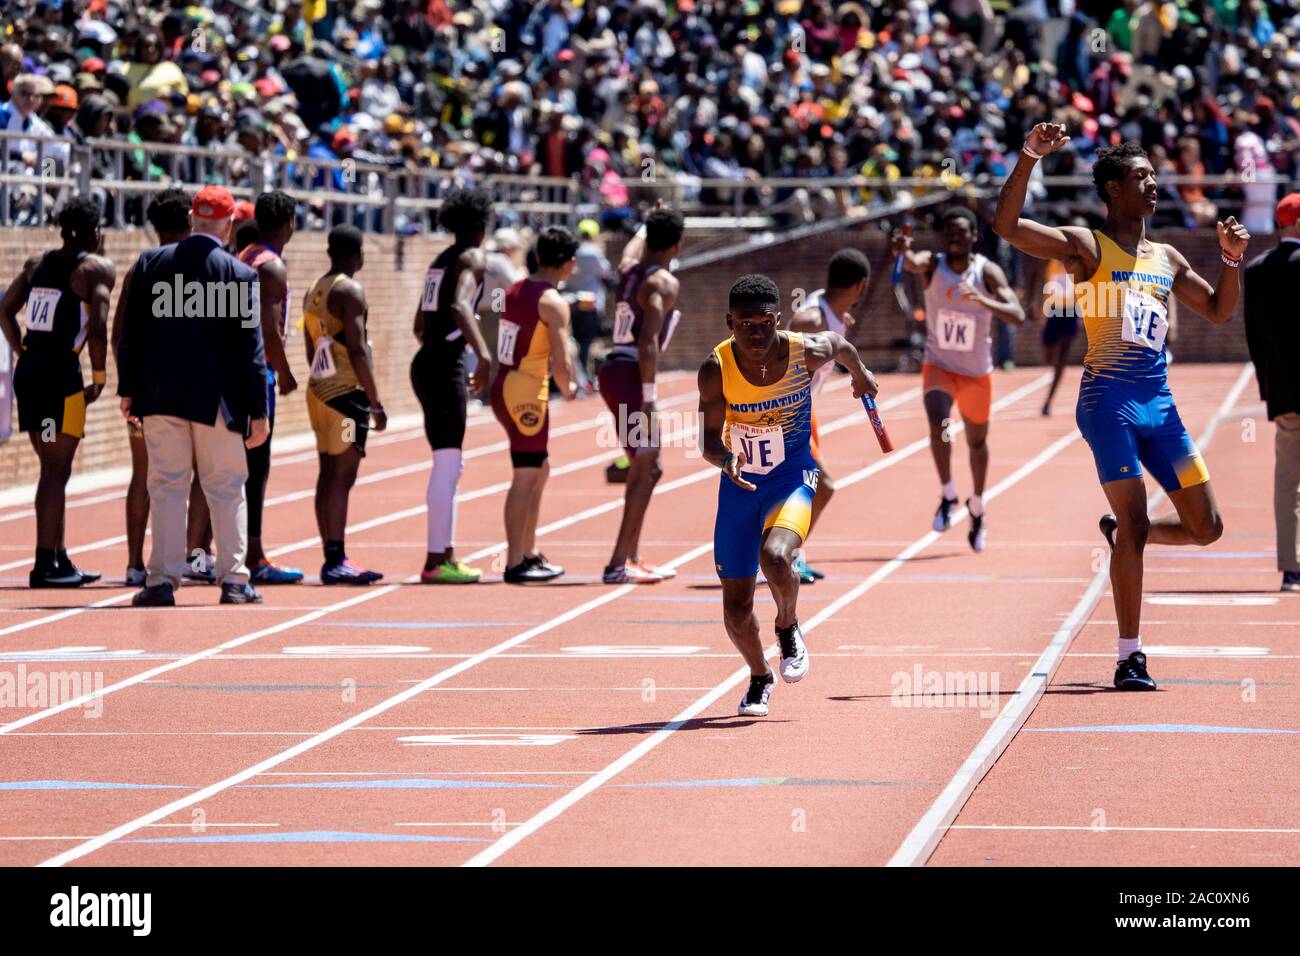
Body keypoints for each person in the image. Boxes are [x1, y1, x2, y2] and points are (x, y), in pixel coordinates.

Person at [995, 125, 1248, 691]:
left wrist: (1231, 260)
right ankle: (1129, 655)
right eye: (1141, 177)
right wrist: (1030, 156)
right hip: (1107, 400)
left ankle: (1125, 534)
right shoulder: (1087, 247)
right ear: (1112, 190)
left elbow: (1216, 311)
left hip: (1160, 404)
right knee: (1135, 520)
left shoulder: (1167, 256)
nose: (1154, 184)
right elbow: (1006, 228)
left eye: (1154, 174)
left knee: (1207, 527)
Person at [699, 274, 878, 717]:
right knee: (736, 609)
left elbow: (839, 345)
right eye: (745, 325)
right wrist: (725, 460)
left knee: (776, 556)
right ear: (729, 323)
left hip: (795, 476)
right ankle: (760, 675)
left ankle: (788, 624)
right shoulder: (716, 368)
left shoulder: (804, 350)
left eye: (764, 323)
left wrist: (862, 375)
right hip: (741, 488)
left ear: (778, 319)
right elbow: (706, 441)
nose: (756, 334)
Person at [118, 186, 270, 607]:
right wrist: (259, 410)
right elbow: (250, 350)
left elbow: (133, 333)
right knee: (225, 486)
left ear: (191, 218)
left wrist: (128, 389)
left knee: (165, 485)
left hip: (161, 395)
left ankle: (161, 580)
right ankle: (235, 581)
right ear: (227, 224)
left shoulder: (152, 262)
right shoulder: (239, 274)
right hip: (217, 401)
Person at [893, 205, 1025, 552]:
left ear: (974, 236)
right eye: (949, 232)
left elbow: (1017, 314)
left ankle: (977, 505)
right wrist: (901, 251)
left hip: (976, 372)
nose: (954, 238)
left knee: (977, 444)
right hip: (939, 364)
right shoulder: (933, 264)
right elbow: (912, 261)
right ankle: (948, 493)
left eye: (961, 232)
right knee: (938, 423)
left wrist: (983, 299)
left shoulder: (987, 271)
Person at [0, 196, 114, 587]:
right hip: (60, 375)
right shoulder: (95, 268)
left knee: (55, 470)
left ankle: (59, 558)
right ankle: (44, 565)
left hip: (32, 371)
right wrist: (98, 378)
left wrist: (21, 350)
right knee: (55, 471)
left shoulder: (36, 265)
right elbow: (98, 328)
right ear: (94, 233)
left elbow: (4, 309)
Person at [109, 187, 213, 586]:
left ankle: (137, 564)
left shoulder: (143, 266)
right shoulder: (202, 264)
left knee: (145, 476)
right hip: (192, 391)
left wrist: (128, 389)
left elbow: (120, 333)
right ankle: (193, 557)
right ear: (190, 220)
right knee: (202, 474)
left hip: (147, 392)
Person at [411, 187, 494, 584]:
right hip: (444, 365)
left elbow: (418, 324)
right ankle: (436, 559)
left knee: (448, 462)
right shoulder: (473, 257)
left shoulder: (439, 261)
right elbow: (461, 306)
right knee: (448, 463)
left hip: (426, 361)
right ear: (480, 226)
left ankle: (442, 555)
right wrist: (483, 353)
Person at [598, 203, 683, 584]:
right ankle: (618, 563)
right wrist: (649, 397)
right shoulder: (663, 283)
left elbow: (632, 252)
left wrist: (648, 221)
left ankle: (629, 556)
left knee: (652, 465)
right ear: (677, 246)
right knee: (646, 462)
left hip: (614, 370)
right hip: (632, 373)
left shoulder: (629, 272)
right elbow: (648, 341)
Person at [491, 226, 579, 583]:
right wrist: (569, 386)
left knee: (538, 470)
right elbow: (561, 359)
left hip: (507, 384)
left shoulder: (515, 288)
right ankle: (515, 561)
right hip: (525, 391)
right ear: (569, 264)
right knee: (526, 475)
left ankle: (527, 551)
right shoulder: (553, 302)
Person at [303, 224, 387, 584]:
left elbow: (311, 345)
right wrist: (375, 401)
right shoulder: (350, 290)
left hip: (319, 390)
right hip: (345, 394)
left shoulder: (315, 289)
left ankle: (331, 554)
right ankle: (335, 558)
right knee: (343, 477)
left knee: (327, 474)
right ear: (359, 254)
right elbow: (357, 349)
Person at [787, 248, 871, 582]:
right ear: (860, 286)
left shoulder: (831, 310)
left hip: (808, 410)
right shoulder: (812, 320)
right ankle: (781, 556)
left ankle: (790, 555)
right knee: (823, 486)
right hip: (792, 411)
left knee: (807, 486)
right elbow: (787, 365)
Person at [236, 190, 303, 585]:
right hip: (258, 371)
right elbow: (265, 325)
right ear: (289, 222)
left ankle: (225, 550)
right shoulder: (270, 265)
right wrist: (285, 370)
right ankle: (253, 554)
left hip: (239, 368)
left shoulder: (242, 255)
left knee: (237, 466)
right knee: (256, 467)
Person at [1243, 193, 1300, 593]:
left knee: (1288, 481)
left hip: (1284, 393)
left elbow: (1254, 338)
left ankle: (1291, 568)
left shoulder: (1258, 270)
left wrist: (1269, 389)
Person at [1039, 256, 1079, 417]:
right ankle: (1055, 367)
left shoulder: (1077, 262)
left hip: (1071, 311)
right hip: (1053, 310)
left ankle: (1048, 401)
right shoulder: (1049, 260)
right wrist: (1033, 301)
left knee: (1062, 358)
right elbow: (1035, 277)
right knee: (1048, 355)